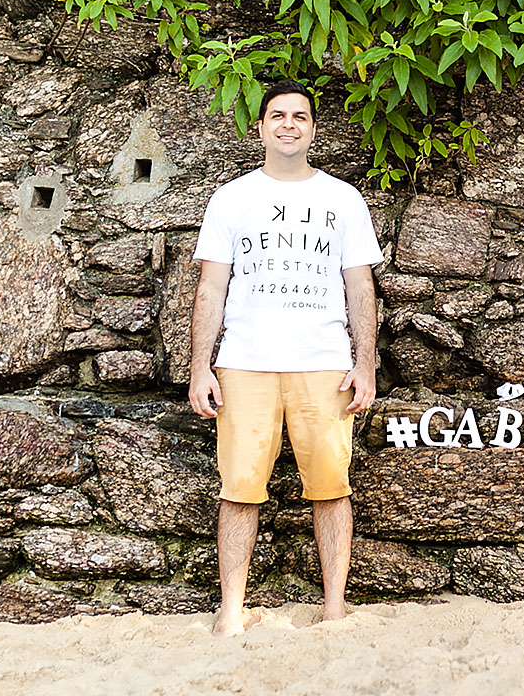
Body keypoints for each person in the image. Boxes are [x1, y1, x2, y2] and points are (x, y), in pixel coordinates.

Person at [188, 80, 383, 636]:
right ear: (261, 127)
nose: (289, 124)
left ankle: (335, 607)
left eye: (300, 116)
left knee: (331, 484)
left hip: (322, 362)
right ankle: (230, 612)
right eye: (278, 115)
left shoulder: (342, 199)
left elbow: (360, 286)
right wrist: (201, 366)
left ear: (313, 128)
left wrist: (364, 363)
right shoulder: (232, 198)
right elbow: (210, 288)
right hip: (245, 362)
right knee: (239, 488)